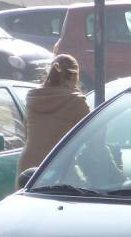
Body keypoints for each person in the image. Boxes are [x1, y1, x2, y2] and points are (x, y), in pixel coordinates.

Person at [17, 54, 89, 186]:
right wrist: (117, 174)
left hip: (28, 170)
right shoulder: (76, 101)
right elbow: (95, 141)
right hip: (59, 168)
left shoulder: (34, 97)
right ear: (74, 76)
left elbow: (27, 135)